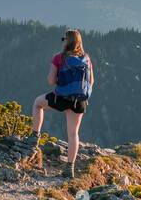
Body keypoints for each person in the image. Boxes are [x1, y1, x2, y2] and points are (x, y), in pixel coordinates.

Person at [30, 29, 94, 178]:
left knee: (38, 103)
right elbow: (91, 81)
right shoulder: (86, 59)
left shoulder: (59, 58)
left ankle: (34, 136)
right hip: (79, 100)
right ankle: (69, 168)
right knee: (73, 134)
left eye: (63, 39)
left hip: (61, 98)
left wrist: (62, 82)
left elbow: (51, 81)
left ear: (67, 41)